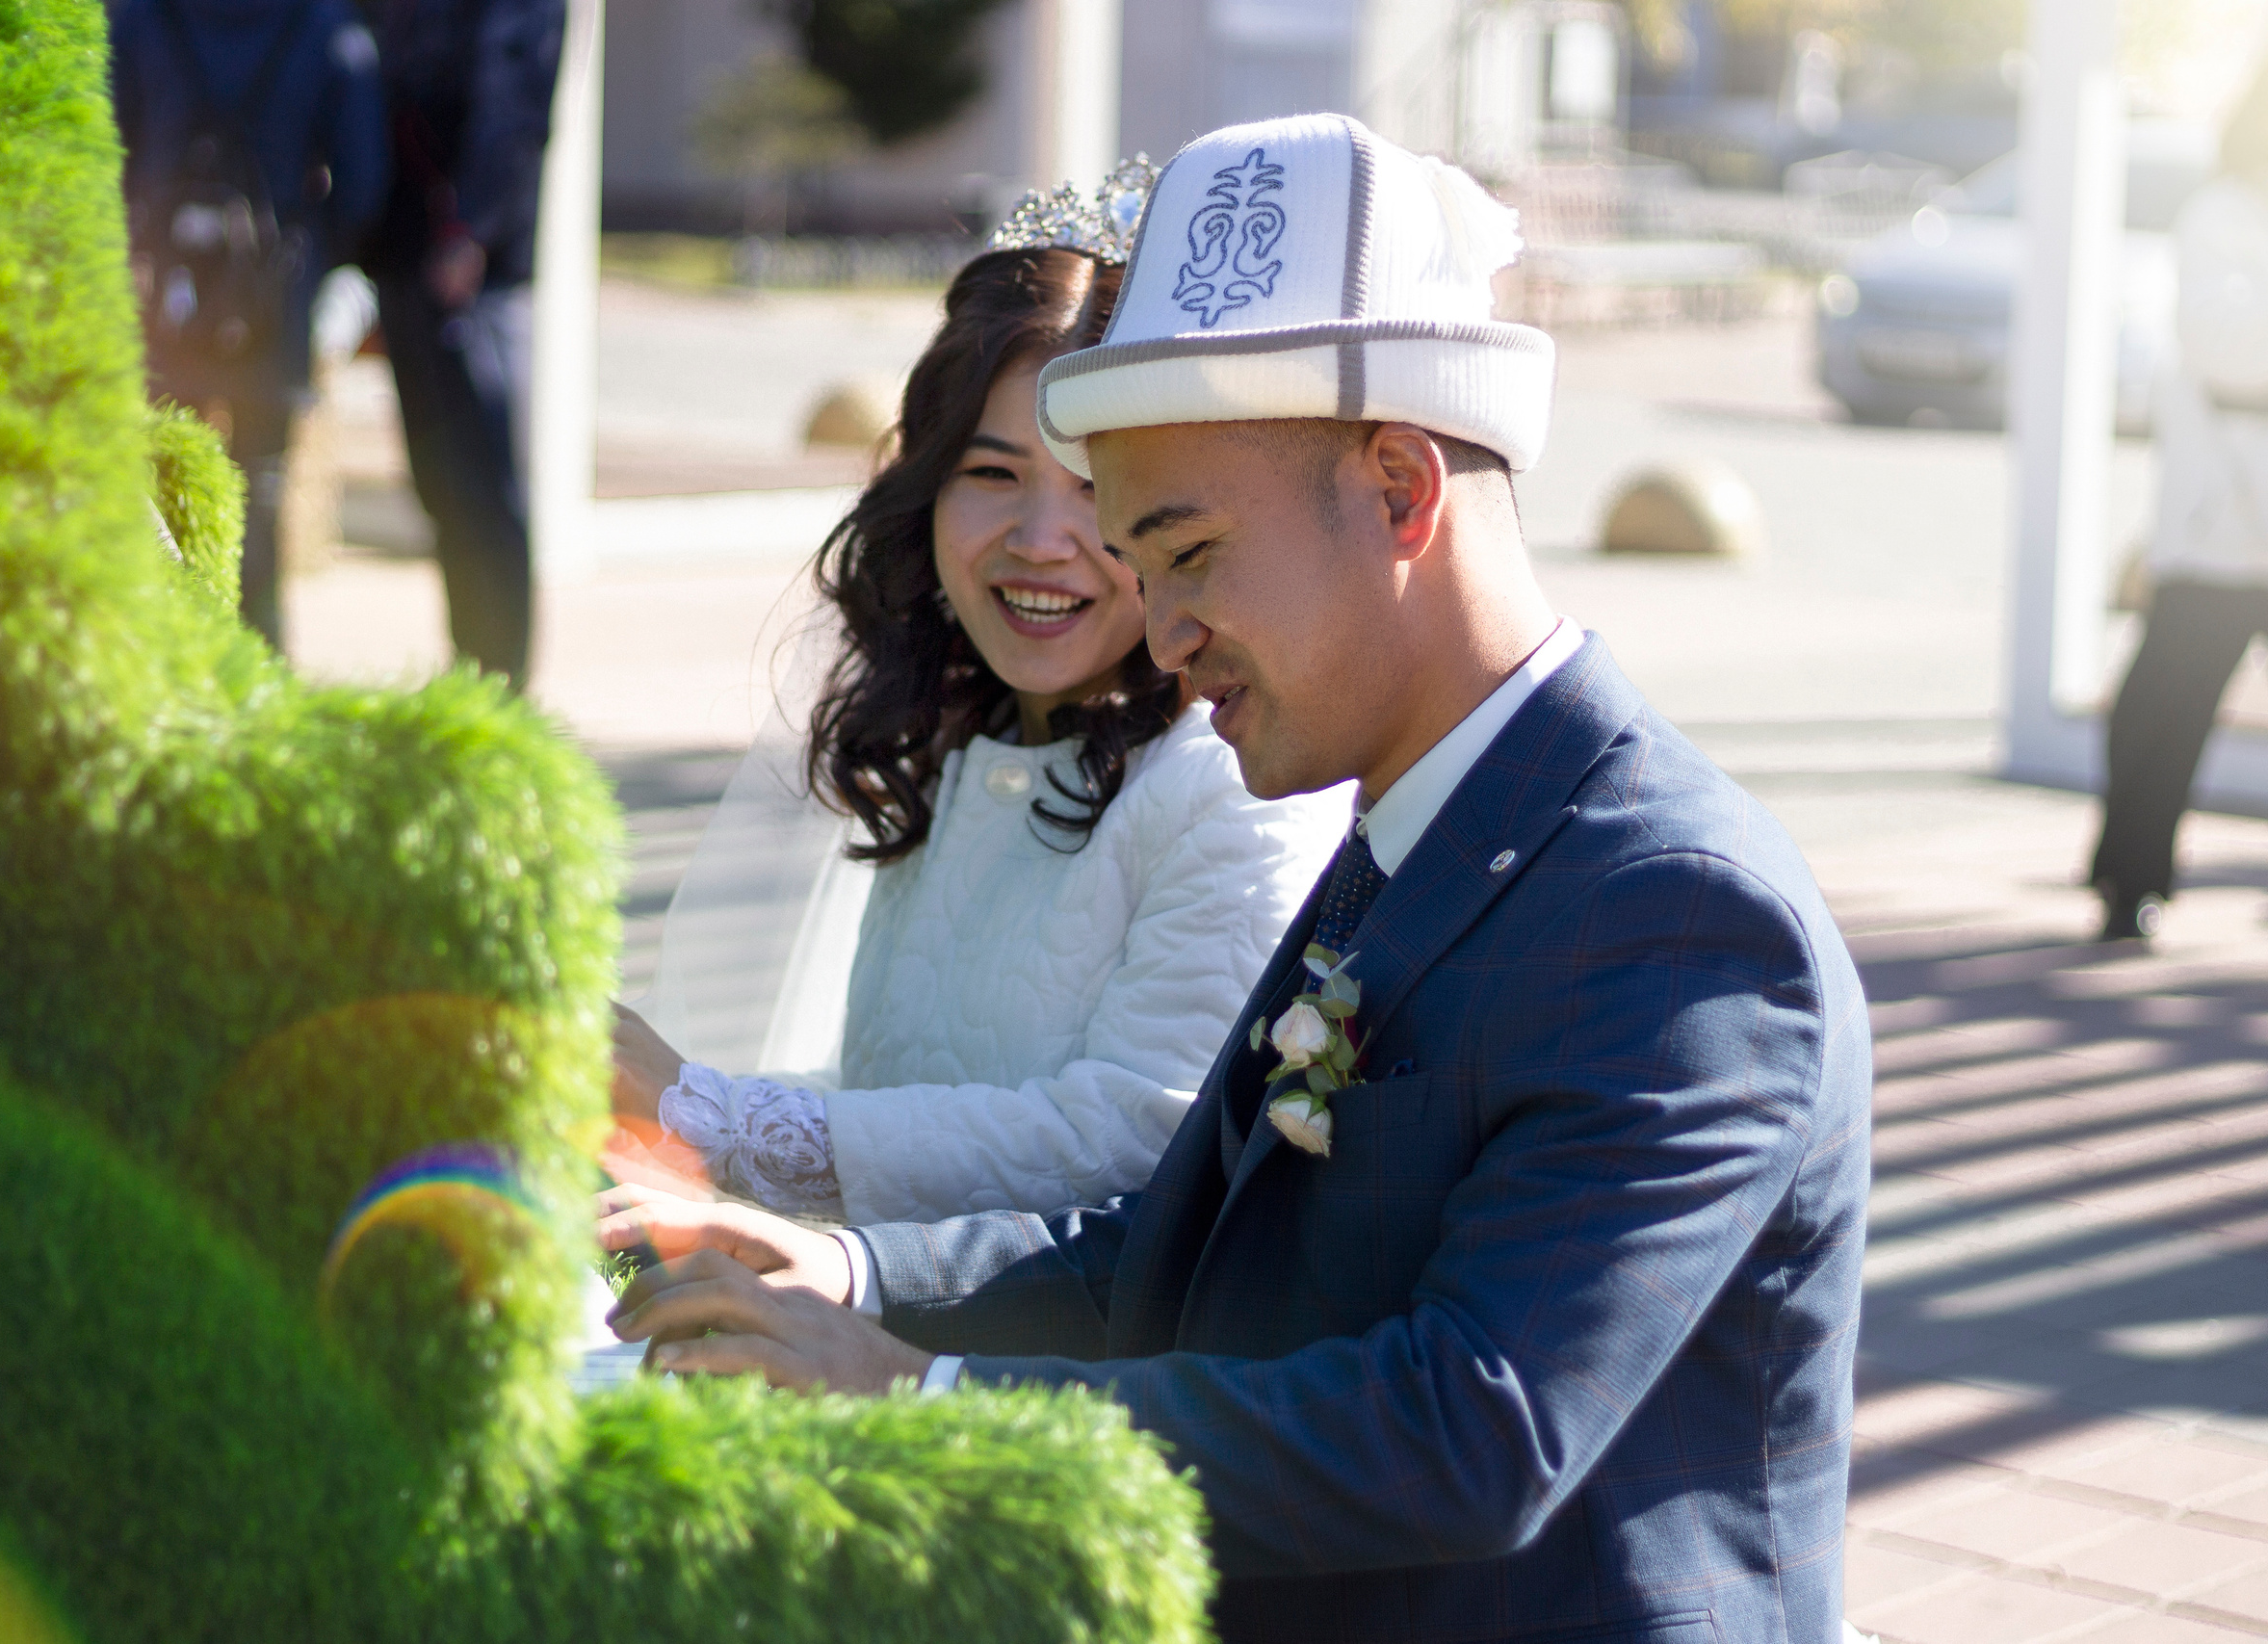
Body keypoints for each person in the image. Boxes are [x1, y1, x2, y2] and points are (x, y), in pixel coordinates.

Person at [596, 116, 1871, 1644]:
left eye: (1188, 552)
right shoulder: (1402, 828)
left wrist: (920, 1389)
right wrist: (852, 1266)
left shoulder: (1680, 913)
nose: (1166, 628)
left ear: (1402, 486)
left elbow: (1474, 1430)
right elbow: (1173, 1246)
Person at [604, 166, 1354, 1226]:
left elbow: (1130, 1135)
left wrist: (713, 1116)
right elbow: (893, 1100)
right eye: (992, 474)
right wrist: (661, 1133)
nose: (1040, 545)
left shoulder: (1235, 783)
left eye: (1098, 490)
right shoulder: (964, 747)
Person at [112, 0, 389, 648]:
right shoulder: (327, 29)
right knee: (260, 493)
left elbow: (104, 149)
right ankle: (258, 666)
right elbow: (363, 182)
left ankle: (169, 661)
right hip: (275, 298)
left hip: (164, 296)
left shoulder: (142, 20)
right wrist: (307, 249)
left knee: (161, 484)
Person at [2090, 68, 2268, 942]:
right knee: (2166, 703)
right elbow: (2222, 344)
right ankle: (2131, 878)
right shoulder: (2220, 216)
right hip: (2223, 522)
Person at [357, 0, 565, 686]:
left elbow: (515, 97)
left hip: (474, 269)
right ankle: (469, 676)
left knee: (488, 493)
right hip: (406, 253)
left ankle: (502, 687)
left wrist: (471, 230)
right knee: (441, 488)